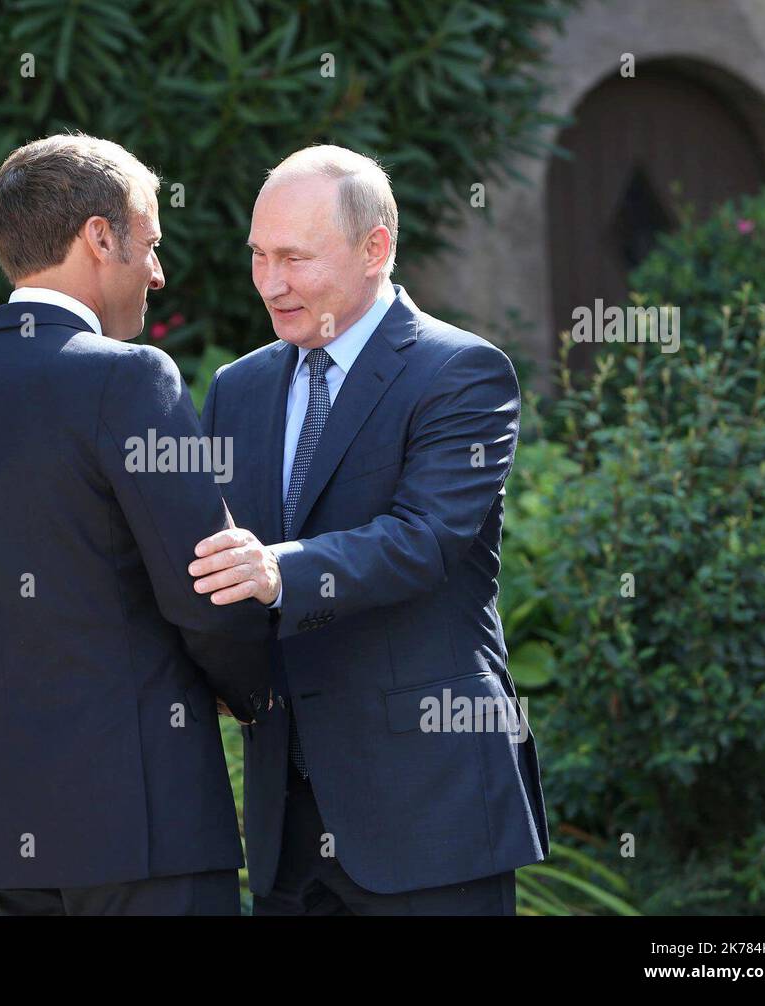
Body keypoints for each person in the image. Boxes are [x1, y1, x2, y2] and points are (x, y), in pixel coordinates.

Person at [0, 134, 273, 916]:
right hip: (146, 813)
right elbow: (206, 586)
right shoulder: (131, 378)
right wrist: (257, 693)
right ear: (100, 238)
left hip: (13, 816)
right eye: (152, 243)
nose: (159, 271)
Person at [190, 145, 549, 915]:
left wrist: (278, 570)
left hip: (429, 809)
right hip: (287, 821)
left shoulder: (462, 373)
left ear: (375, 248)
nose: (271, 283)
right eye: (258, 256)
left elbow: (425, 541)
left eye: (294, 257)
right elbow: (213, 559)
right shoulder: (237, 388)